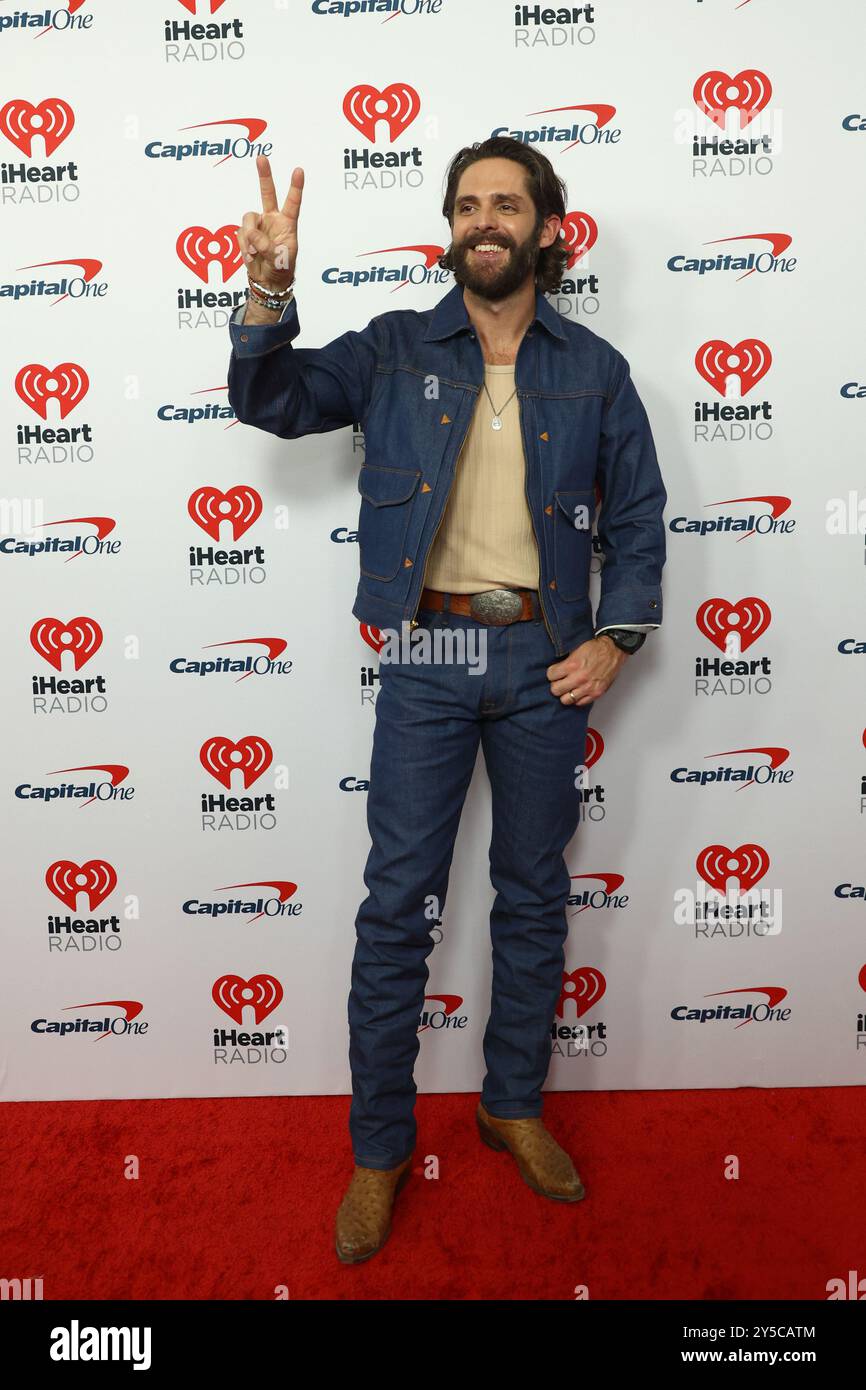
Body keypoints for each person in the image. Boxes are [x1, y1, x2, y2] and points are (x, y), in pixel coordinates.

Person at [227, 135, 667, 1265]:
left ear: (544, 229)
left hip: (541, 662)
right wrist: (269, 288)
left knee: (530, 896)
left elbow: (638, 522)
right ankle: (379, 1151)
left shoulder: (596, 370)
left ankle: (508, 1103)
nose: (484, 221)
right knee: (395, 907)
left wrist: (614, 640)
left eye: (506, 205)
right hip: (426, 656)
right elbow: (268, 399)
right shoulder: (388, 350)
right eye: (467, 204)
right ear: (449, 228)